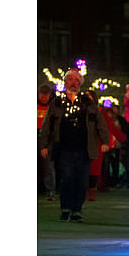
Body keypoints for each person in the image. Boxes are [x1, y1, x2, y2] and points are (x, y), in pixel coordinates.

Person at [40, 69, 109, 222]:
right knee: (67, 178)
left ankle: (77, 209)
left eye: (76, 80)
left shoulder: (87, 102)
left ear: (79, 83)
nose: (73, 83)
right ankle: (66, 208)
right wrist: (43, 145)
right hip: (64, 147)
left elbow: (100, 122)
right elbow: (47, 125)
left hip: (84, 148)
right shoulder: (57, 103)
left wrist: (105, 141)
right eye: (69, 80)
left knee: (82, 180)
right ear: (65, 83)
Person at [84, 92, 127, 201]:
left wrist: (122, 139)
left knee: (94, 168)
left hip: (96, 142)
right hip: (82, 142)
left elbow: (109, 126)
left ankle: (91, 190)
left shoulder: (100, 112)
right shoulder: (80, 110)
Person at [38, 84, 55, 201]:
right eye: (41, 96)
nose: (43, 98)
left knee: (49, 164)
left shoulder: (52, 107)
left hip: (48, 137)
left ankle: (50, 190)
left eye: (46, 96)